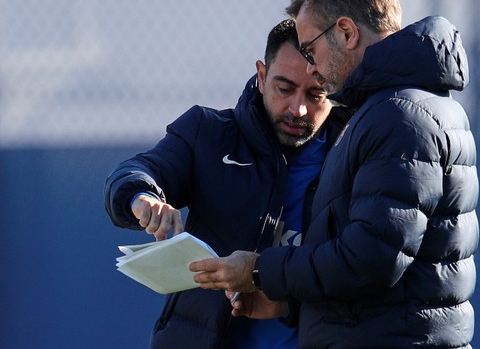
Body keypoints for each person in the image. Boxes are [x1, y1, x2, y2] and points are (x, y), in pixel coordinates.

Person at [190, 0, 479, 348]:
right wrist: (288, 306)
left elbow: (370, 258)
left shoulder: (398, 116)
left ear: (346, 32)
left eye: (311, 50)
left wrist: (258, 269)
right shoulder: (392, 108)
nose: (311, 67)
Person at [103, 18, 350, 348]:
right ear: (261, 76)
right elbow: (136, 172)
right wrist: (143, 198)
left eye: (316, 93)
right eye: (284, 88)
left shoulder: (356, 154)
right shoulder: (209, 134)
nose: (298, 108)